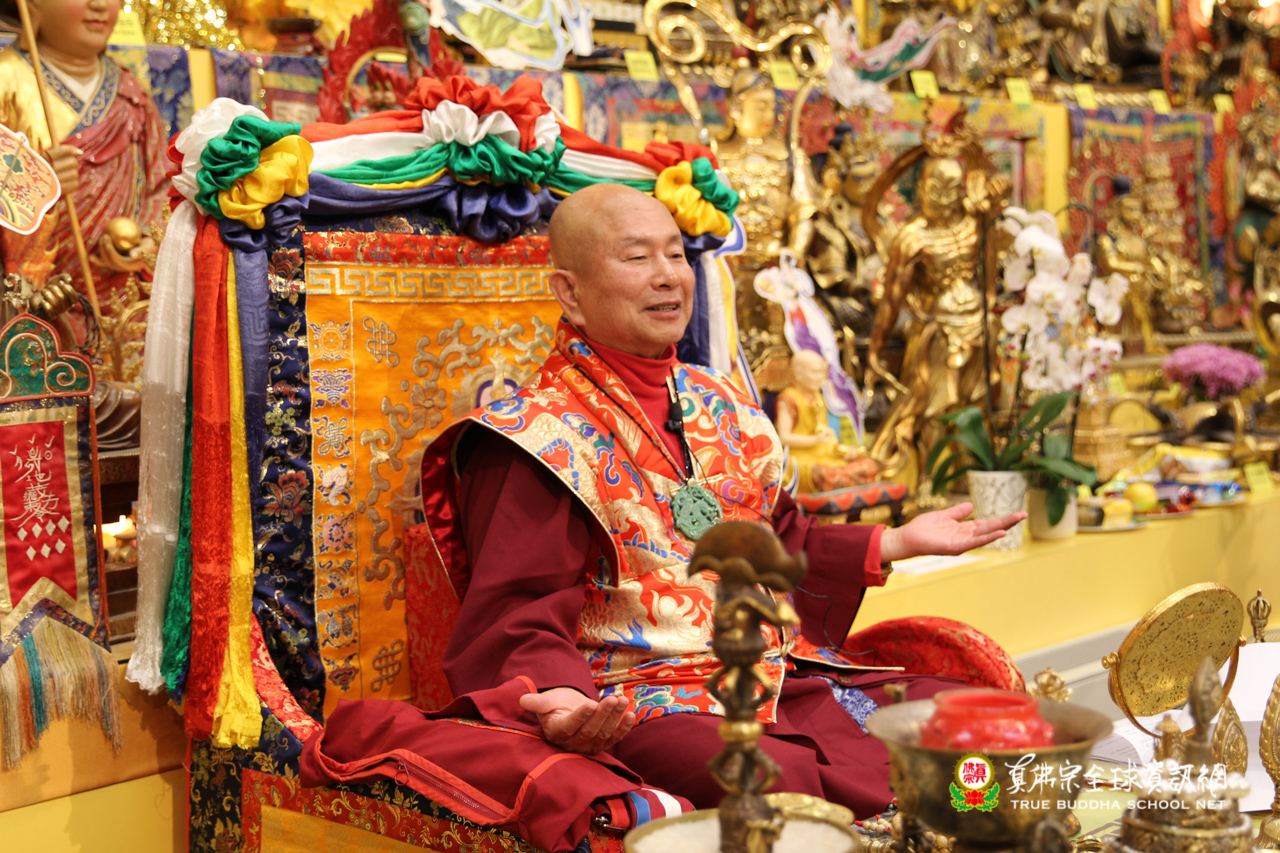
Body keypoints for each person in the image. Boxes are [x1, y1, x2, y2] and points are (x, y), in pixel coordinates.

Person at [417, 183, 1025, 817]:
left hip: (780, 672)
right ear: (570, 292)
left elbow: (776, 538)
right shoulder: (533, 438)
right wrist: (563, 701)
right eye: (637, 258)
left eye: (676, 255)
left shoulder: (719, 399)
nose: (668, 277)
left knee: (980, 722)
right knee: (778, 784)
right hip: (648, 697)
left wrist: (896, 541)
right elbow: (517, 613)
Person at [0, 0, 166, 362]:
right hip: (42, 301)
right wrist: (36, 187)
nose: (99, 5)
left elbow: (160, 185)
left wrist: (144, 241)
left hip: (123, 303)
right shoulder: (6, 79)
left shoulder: (129, 91)